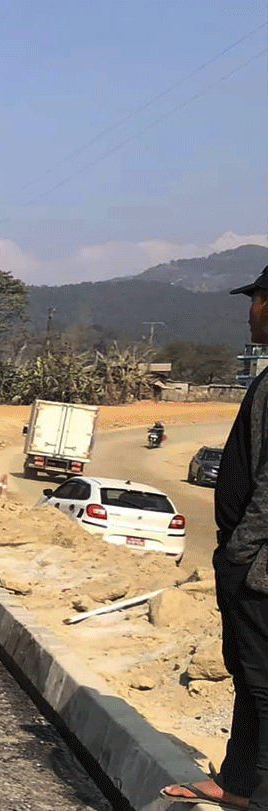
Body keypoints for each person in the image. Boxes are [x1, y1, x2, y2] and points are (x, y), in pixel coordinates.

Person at [160, 265, 268, 810]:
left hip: (259, 570)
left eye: (254, 300)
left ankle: (257, 791)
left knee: (262, 685)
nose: (248, 311)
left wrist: (238, 557)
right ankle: (238, 783)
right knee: (249, 679)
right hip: (251, 564)